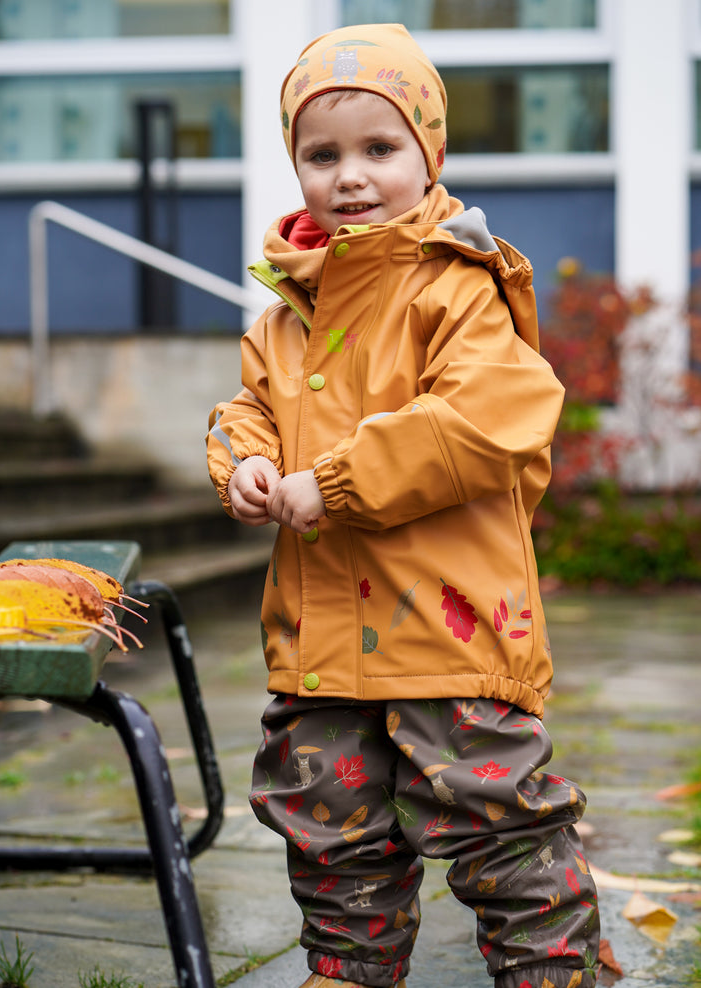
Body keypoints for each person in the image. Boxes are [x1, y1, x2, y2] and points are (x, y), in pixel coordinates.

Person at [206, 22, 599, 988]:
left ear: (430, 154)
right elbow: (252, 408)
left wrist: (334, 483)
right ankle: (348, 969)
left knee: (500, 824)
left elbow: (485, 418)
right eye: (321, 153)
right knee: (330, 837)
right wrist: (244, 461)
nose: (350, 177)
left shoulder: (457, 288)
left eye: (379, 150)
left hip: (448, 631)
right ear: (293, 161)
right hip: (322, 646)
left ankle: (551, 972)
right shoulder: (283, 317)